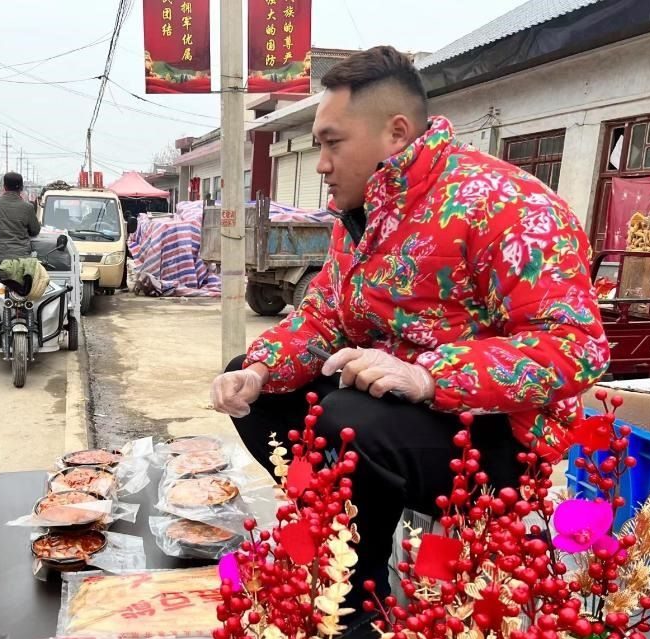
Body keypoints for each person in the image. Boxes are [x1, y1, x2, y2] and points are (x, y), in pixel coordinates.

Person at [210, 46, 608, 599]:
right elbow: (324, 317)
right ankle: (332, 539)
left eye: (332, 143)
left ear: (395, 134)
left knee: (348, 418)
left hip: (500, 433)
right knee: (259, 392)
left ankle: (356, 599)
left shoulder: (508, 205)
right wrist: (258, 370)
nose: (321, 164)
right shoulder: (363, 216)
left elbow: (576, 347)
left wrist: (427, 377)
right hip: (398, 412)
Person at [0, 171, 40, 259]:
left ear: (4, 187)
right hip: (22, 256)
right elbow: (35, 230)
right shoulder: (28, 207)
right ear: (21, 188)